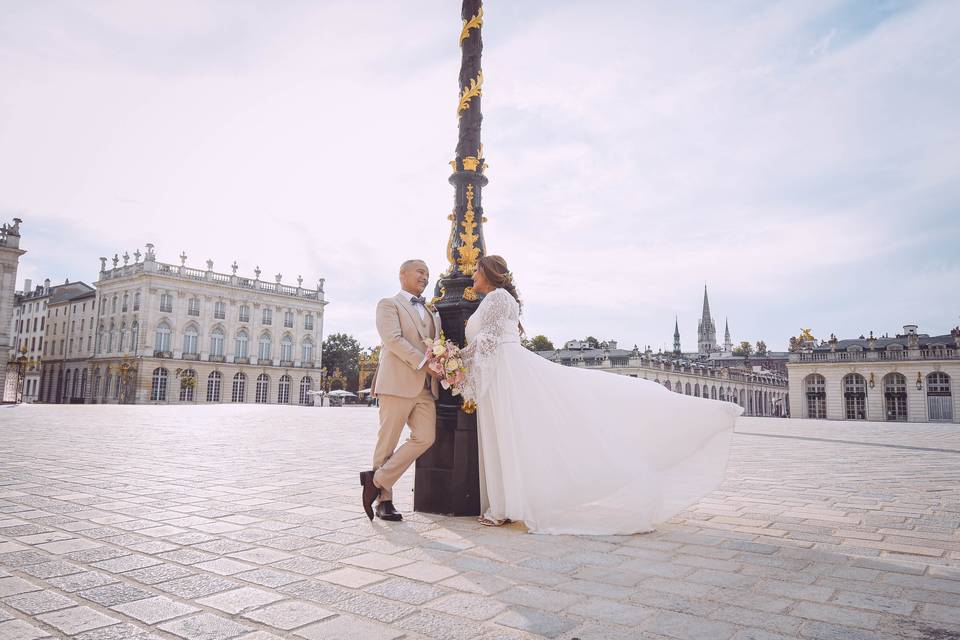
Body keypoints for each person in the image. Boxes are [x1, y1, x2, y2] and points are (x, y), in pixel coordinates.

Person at [459, 255, 743, 535]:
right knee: (514, 434)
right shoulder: (503, 299)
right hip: (506, 369)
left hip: (504, 372)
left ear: (489, 273)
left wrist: (454, 360)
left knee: (507, 434)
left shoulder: (496, 298)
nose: (472, 276)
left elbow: (488, 341)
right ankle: (508, 505)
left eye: (476, 271)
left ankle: (504, 507)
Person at [361, 259, 442, 521]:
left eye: (428, 274)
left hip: (425, 388)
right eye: (420, 271)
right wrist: (425, 363)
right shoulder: (388, 304)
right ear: (402, 274)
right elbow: (392, 339)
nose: (425, 277)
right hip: (396, 383)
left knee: (426, 437)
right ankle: (385, 501)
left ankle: (377, 479)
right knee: (387, 444)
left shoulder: (432, 311)